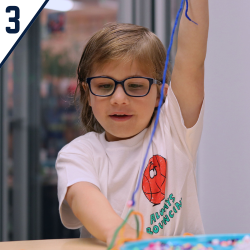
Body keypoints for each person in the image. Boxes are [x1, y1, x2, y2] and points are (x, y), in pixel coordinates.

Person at [56, 0, 209, 245]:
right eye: (105, 86)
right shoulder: (77, 154)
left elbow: (192, 59)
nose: (119, 99)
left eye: (135, 86)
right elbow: (92, 209)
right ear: (87, 93)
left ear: (160, 93)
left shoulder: (173, 131)